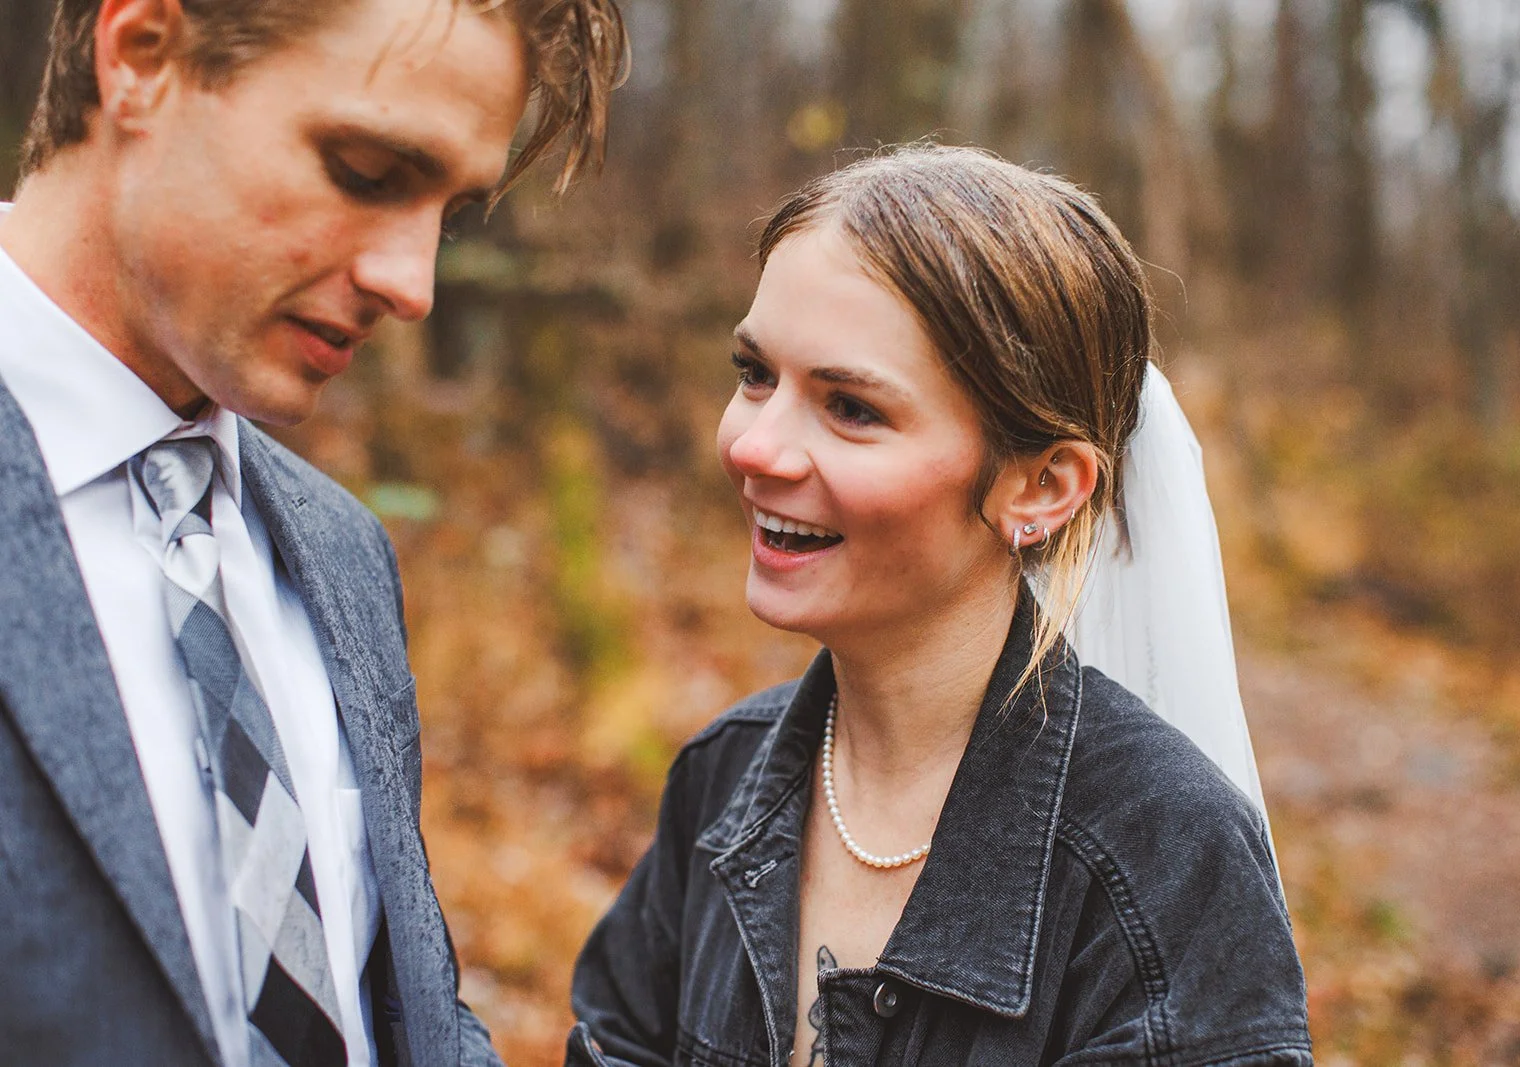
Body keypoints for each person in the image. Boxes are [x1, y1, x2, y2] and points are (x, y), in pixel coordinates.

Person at [568, 146, 1311, 1066]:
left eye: (851, 407)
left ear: (1042, 485)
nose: (755, 447)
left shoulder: (1166, 860)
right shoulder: (721, 778)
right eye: (755, 374)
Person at [0, 0, 623, 1063]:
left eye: (449, 211)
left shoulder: (337, 551)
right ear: (142, 53)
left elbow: (398, 1018)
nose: (411, 284)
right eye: (368, 173)